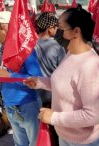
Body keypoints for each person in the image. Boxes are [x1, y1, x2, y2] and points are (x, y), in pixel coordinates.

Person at [24, 7, 99, 146]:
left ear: (76, 31)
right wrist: (40, 82)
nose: (56, 32)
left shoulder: (90, 66)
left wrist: (54, 117)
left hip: (84, 141)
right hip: (66, 136)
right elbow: (67, 84)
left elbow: (93, 115)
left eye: (60, 27)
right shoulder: (70, 54)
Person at [0, 11, 42, 146]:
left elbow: (37, 79)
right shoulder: (5, 49)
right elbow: (7, 74)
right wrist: (0, 78)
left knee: (35, 142)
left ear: (2, 27)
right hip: (11, 106)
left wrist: (10, 76)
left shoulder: (25, 49)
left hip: (26, 104)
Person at [35, 12, 66, 145]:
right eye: (55, 27)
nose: (57, 30)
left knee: (41, 135)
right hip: (54, 97)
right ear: (50, 28)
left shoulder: (31, 46)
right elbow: (65, 73)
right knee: (56, 134)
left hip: (36, 96)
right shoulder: (57, 47)